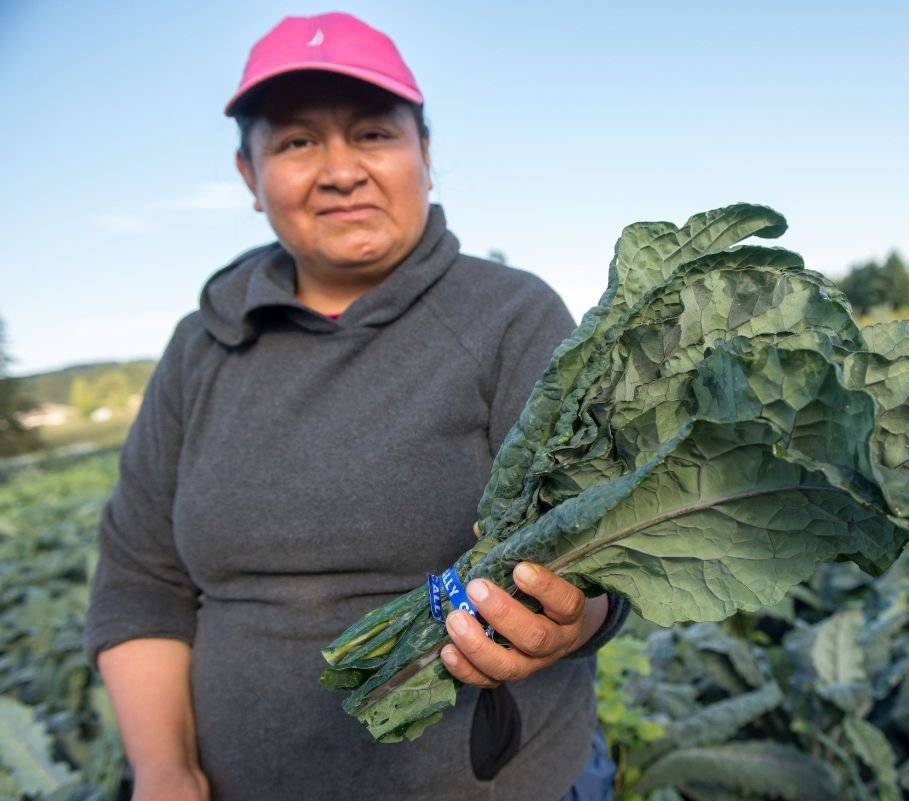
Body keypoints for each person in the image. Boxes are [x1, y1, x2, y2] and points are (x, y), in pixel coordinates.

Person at [84, 12, 627, 801]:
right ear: (248, 174)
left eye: (373, 133)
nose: (340, 170)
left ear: (426, 154)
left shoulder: (511, 316)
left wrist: (572, 621)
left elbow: (599, 543)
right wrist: (165, 770)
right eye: (297, 142)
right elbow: (141, 578)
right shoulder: (200, 348)